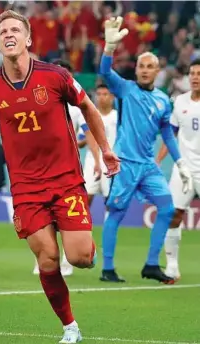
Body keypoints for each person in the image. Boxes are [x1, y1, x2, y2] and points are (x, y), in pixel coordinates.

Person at [0, 10, 120, 344]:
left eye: (15, 29)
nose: (9, 35)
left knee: (80, 258)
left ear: (28, 39)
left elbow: (87, 107)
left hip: (65, 180)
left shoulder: (54, 76)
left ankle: (85, 245)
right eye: (3, 32)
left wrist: (105, 148)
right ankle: (70, 327)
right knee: (47, 258)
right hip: (26, 188)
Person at [99, 17, 193, 284]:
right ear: (136, 69)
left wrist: (180, 163)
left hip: (148, 165)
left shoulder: (164, 100)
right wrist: (109, 48)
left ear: (157, 71)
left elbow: (167, 134)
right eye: (141, 65)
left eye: (149, 66)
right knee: (116, 212)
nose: (144, 70)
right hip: (125, 163)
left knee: (166, 208)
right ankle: (108, 268)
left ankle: (151, 264)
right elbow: (105, 73)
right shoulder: (125, 89)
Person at [33, 60, 102, 277]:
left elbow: (86, 131)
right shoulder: (38, 99)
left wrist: (96, 157)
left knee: (64, 216)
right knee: (43, 217)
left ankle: (69, 258)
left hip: (66, 170)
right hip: (39, 169)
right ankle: (44, 258)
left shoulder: (75, 105)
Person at [156, 59, 200, 280]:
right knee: (173, 215)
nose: (195, 77)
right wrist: (158, 161)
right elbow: (169, 135)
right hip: (183, 168)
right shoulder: (180, 102)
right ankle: (172, 266)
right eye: (192, 73)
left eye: (199, 73)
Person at [83, 84, 117, 207]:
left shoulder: (117, 117)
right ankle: (83, 226)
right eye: (98, 94)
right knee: (86, 197)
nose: (101, 97)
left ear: (112, 97)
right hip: (92, 160)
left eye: (105, 94)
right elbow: (83, 140)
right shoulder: (89, 115)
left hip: (111, 161)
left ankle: (108, 226)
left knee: (110, 201)